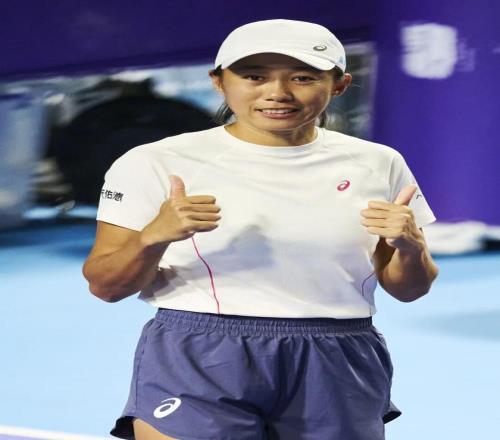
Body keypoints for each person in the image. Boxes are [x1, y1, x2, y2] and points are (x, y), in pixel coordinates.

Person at [82, 19, 439, 440]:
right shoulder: (153, 162)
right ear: (219, 82)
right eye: (254, 77)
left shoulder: (380, 163)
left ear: (340, 85)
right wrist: (153, 237)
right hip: (199, 352)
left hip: (338, 354)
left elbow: (409, 289)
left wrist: (410, 248)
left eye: (303, 78)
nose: (277, 93)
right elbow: (106, 286)